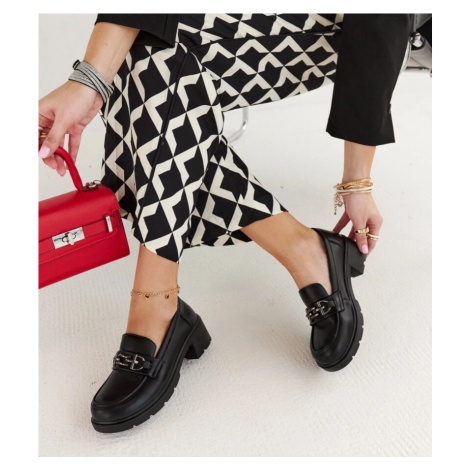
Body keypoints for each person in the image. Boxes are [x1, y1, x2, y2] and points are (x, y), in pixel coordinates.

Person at [38, 13, 414, 433]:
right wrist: (86, 82)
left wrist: (357, 181)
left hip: (340, 26)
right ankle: (301, 248)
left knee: (157, 64)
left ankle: (156, 305)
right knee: (148, 56)